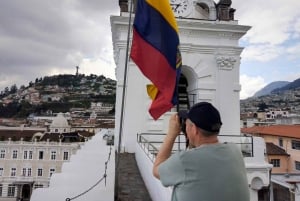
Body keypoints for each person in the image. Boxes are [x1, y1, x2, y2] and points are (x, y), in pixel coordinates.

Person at [153, 102, 250, 201]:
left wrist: (171, 134)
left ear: (194, 129)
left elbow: (156, 170)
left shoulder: (184, 161)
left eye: (186, 124)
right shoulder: (235, 151)